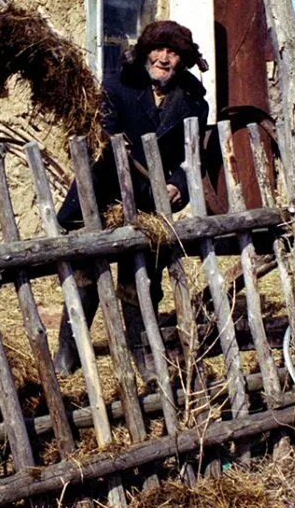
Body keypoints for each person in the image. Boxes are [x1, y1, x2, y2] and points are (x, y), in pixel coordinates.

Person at [54, 20, 209, 375]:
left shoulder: (194, 103)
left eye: (173, 53)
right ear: (145, 52)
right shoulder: (117, 85)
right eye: (158, 49)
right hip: (102, 195)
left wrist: (178, 185)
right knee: (86, 278)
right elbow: (95, 134)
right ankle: (69, 350)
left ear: (183, 60)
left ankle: (141, 353)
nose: (164, 58)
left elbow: (195, 157)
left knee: (140, 280)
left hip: (149, 204)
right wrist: (108, 141)